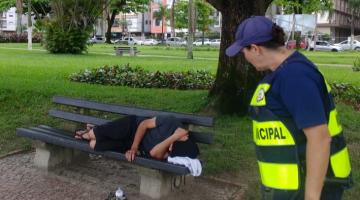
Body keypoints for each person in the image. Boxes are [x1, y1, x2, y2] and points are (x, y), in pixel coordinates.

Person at [225, 16, 352, 200]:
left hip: (309, 188)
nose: (244, 57)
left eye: (243, 51)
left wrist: (311, 196)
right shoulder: (284, 71)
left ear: (255, 49)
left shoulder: (295, 77)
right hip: (293, 186)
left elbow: (320, 138)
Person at [75, 115, 199, 162]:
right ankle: (89, 132)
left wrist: (173, 137)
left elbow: (154, 153)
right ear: (183, 138)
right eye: (172, 146)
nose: (169, 149)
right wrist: (134, 147)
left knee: (95, 145)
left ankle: (94, 129)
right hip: (133, 126)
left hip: (132, 144)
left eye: (171, 149)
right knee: (93, 136)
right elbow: (144, 124)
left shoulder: (174, 147)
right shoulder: (171, 122)